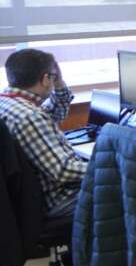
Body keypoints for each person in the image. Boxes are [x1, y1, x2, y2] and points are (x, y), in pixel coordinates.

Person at [0, 49, 86, 217]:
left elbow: (54, 116)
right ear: (46, 79)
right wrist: (111, 166)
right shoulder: (31, 117)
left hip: (28, 197)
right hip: (60, 200)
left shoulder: (9, 102)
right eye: (53, 78)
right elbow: (64, 171)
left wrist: (59, 82)